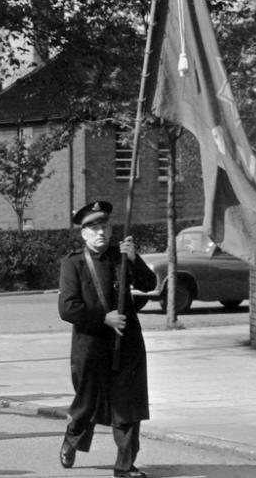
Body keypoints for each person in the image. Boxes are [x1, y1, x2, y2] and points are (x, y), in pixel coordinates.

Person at [58, 200, 157, 478]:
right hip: (91, 346)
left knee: (128, 406)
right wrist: (103, 318)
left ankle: (125, 466)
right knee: (86, 404)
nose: (101, 232)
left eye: (104, 226)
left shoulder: (121, 255)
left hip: (127, 343)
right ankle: (72, 438)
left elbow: (148, 285)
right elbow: (68, 307)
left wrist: (135, 259)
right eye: (94, 228)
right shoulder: (73, 263)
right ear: (83, 233)